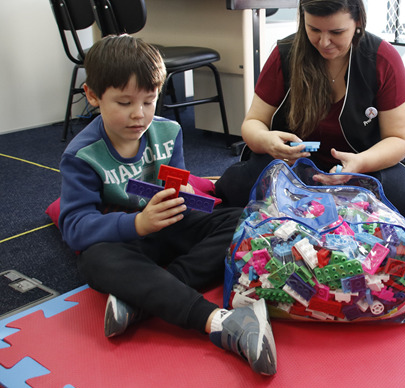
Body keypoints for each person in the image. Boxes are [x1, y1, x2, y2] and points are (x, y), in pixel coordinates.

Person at [58, 34, 277, 375]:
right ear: (92, 95)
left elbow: (174, 189)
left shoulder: (169, 131)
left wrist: (187, 195)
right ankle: (218, 322)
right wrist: (137, 224)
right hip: (126, 240)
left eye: (149, 101)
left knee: (240, 221)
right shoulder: (81, 155)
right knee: (94, 262)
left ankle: (143, 300)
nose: (139, 115)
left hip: (167, 225)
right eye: (124, 103)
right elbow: (74, 227)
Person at [215, 0, 405, 220]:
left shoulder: (382, 60)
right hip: (294, 167)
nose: (324, 42)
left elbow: (398, 139)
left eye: (337, 32)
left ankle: (307, 204)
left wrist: (360, 163)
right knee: (234, 188)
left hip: (360, 167)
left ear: (358, 21)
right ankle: (328, 205)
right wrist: (267, 140)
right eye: (313, 29)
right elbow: (253, 123)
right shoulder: (285, 53)